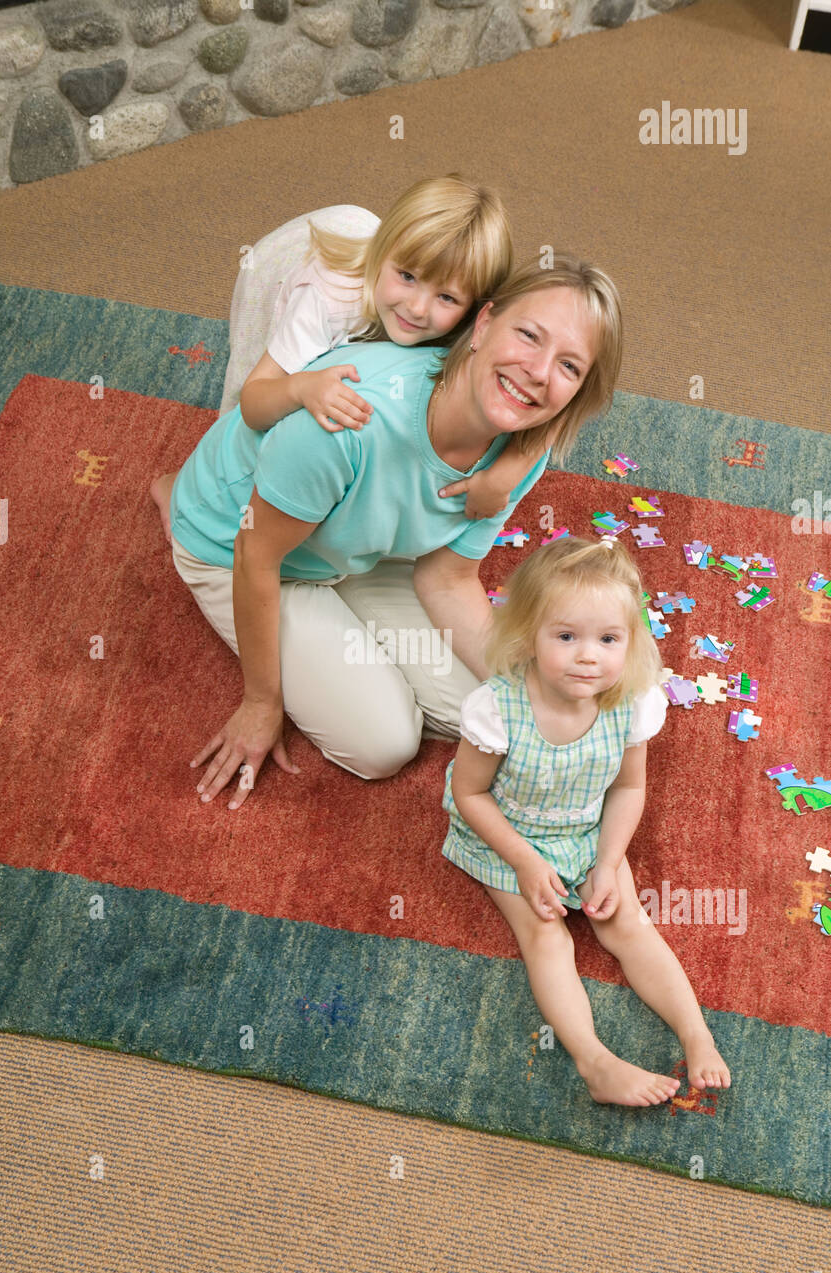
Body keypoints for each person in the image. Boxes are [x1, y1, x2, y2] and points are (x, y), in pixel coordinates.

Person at [156, 254, 622, 809]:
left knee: (499, 702)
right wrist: (261, 702)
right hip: (243, 550)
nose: (540, 373)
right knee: (384, 744)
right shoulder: (343, 425)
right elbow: (255, 558)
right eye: (528, 335)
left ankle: (339, 615)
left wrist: (541, 698)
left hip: (354, 548)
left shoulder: (522, 441)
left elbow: (448, 579)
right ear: (484, 323)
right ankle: (179, 502)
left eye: (569, 367)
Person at [441, 536, 732, 1108]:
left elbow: (628, 786)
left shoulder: (631, 702)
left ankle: (696, 1034)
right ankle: (594, 1062)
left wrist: (607, 861)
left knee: (630, 926)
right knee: (546, 937)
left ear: (631, 642)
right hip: (507, 836)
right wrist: (524, 863)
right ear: (529, 635)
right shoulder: (498, 708)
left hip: (587, 833)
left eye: (607, 639)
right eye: (566, 636)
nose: (587, 656)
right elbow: (470, 794)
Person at [151, 173, 531, 539]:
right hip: (287, 268)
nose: (416, 308)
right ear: (384, 253)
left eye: (446, 297)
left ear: (476, 311)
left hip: (367, 242)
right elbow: (252, 403)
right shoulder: (326, 300)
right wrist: (300, 388)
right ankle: (176, 486)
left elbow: (551, 405)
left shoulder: (470, 325)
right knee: (247, 429)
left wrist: (507, 474)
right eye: (408, 277)